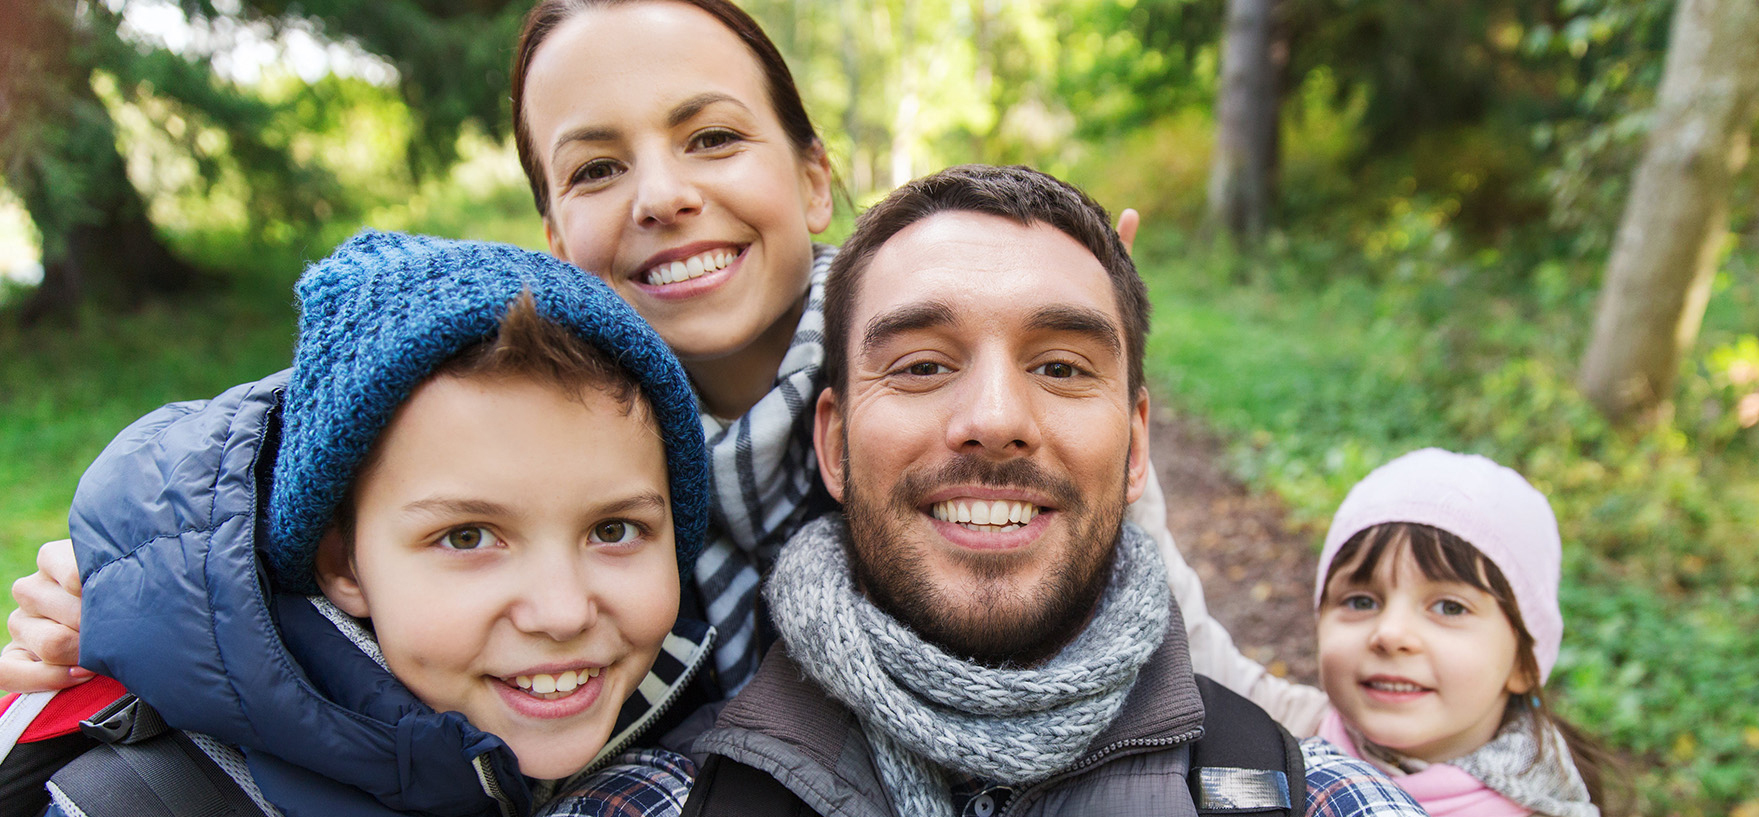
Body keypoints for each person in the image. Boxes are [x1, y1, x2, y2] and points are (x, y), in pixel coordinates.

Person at [91, 166, 1759, 817]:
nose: (995, 417)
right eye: (923, 365)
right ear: (829, 443)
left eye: (1062, 367)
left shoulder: (1290, 808)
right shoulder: (668, 808)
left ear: (1136, 441)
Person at [1, 0, 1328, 735]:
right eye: (595, 166)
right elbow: (313, 496)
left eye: (710, 139)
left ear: (812, 177)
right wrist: (138, 583)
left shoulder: (945, 413)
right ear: (552, 233)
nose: (660, 196)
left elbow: (1186, 662)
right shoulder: (509, 422)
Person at [0, 231, 713, 817]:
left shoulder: (676, 685)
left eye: (615, 530)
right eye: (467, 537)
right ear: (343, 565)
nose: (564, 611)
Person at [1311, 448, 1676, 817]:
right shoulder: (1290, 743)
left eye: (1448, 606)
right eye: (1360, 601)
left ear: (1525, 662)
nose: (1391, 633)